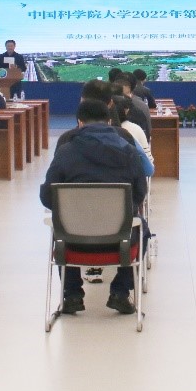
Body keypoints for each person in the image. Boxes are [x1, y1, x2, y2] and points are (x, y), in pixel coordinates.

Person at [41, 98, 150, 316]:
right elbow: (140, 193)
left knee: (58, 226)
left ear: (79, 123)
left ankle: (72, 294)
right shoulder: (128, 152)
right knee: (143, 229)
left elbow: (47, 196)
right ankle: (120, 292)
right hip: (120, 240)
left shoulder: (65, 152)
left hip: (73, 241)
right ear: (109, 122)